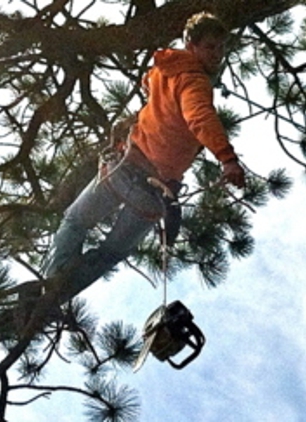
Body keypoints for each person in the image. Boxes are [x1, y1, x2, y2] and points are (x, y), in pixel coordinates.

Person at [42, 12, 245, 296]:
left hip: (124, 169)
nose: (217, 54)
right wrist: (228, 159)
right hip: (150, 191)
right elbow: (199, 117)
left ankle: (50, 285)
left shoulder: (165, 69)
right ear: (191, 46)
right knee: (111, 252)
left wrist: (145, 109)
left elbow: (148, 83)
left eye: (221, 47)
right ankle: (58, 293)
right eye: (210, 47)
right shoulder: (195, 81)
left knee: (74, 222)